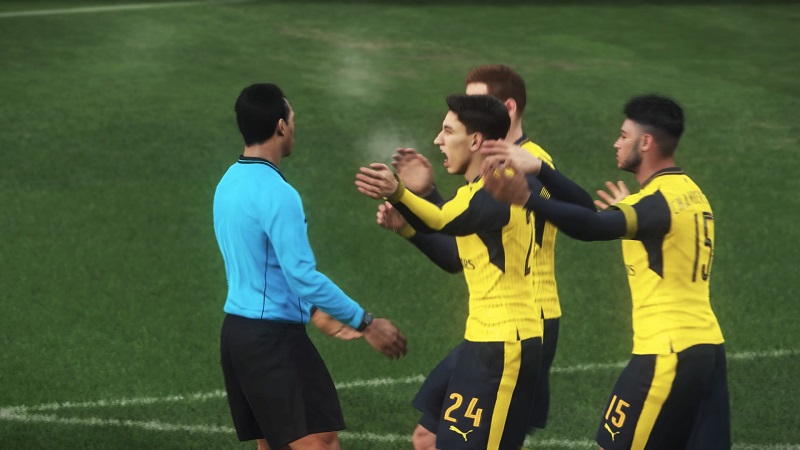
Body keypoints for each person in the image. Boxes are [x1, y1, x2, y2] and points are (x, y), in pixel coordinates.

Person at [480, 94, 730, 449]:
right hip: (708, 349)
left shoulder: (654, 204)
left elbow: (591, 226)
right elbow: (637, 226)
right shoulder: (690, 193)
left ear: (646, 142)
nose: (616, 143)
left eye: (624, 136)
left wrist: (527, 198)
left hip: (666, 352)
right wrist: (541, 169)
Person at [213, 83, 408, 450]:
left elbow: (263, 264)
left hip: (237, 335)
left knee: (273, 444)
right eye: (292, 119)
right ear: (280, 126)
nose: (294, 127)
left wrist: (313, 311)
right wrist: (365, 322)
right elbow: (302, 275)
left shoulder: (227, 183)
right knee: (321, 441)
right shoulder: (278, 193)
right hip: (272, 340)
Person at [379, 64, 565, 434]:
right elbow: (462, 251)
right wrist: (419, 212)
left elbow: (467, 222)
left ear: (505, 109)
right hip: (489, 325)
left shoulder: (521, 168)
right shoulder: (484, 177)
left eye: (476, 102)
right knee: (432, 435)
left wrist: (404, 197)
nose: (466, 109)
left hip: (525, 321)